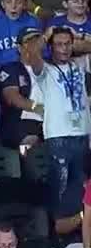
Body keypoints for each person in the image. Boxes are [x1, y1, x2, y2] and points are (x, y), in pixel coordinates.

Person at [30, 26, 90, 220]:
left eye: (67, 44)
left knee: (81, 188)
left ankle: (79, 234)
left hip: (82, 134)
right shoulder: (45, 69)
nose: (63, 49)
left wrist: (79, 36)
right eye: (58, 45)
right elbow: (32, 54)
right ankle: (57, 237)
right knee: (60, 189)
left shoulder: (80, 64)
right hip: (58, 136)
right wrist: (46, 35)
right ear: (51, 47)